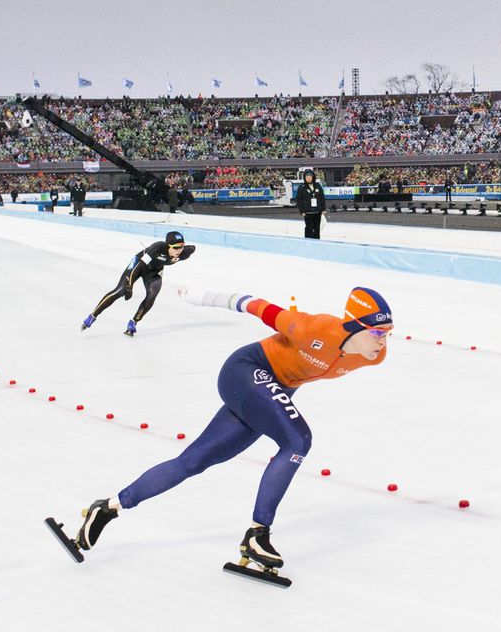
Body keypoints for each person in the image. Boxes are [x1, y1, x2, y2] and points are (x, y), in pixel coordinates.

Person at [69, 287, 394, 573]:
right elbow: (253, 304)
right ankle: (258, 535)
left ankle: (108, 507)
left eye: (388, 333)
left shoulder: (373, 356)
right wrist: (202, 297)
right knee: (298, 440)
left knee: (193, 462)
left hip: (268, 392)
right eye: (378, 333)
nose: (382, 342)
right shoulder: (311, 328)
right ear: (354, 326)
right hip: (247, 371)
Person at [81, 231, 196, 336]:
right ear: (167, 246)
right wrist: (129, 286)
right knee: (120, 291)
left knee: (152, 295)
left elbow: (192, 248)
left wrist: (184, 248)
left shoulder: (184, 253)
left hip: (154, 271)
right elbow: (138, 267)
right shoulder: (158, 247)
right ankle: (93, 316)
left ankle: (133, 322)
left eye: (182, 247)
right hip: (139, 265)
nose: (179, 250)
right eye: (176, 247)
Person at [295, 170, 326, 239]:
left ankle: (317, 240)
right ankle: (308, 241)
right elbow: (299, 200)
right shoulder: (302, 187)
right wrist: (302, 211)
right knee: (309, 227)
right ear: (305, 178)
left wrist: (323, 209)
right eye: (307, 176)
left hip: (317, 211)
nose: (309, 178)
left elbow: (322, 197)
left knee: (317, 228)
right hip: (307, 212)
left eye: (310, 176)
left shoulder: (318, 186)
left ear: (313, 177)